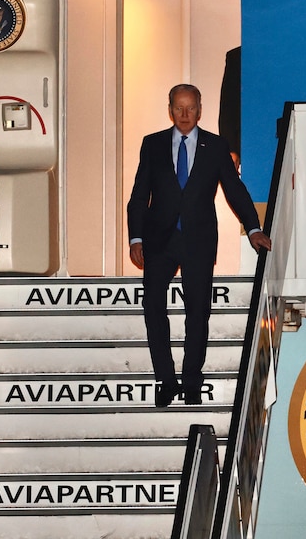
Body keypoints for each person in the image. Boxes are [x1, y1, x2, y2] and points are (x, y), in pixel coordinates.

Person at [127, 84, 272, 407]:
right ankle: (165, 380)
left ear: (200, 109)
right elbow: (139, 194)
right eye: (178, 108)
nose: (184, 115)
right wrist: (135, 237)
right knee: (153, 308)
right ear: (169, 109)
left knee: (198, 312)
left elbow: (234, 190)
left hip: (198, 240)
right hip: (158, 240)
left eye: (190, 108)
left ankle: (192, 381)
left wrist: (253, 228)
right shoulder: (152, 144)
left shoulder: (216, 146)